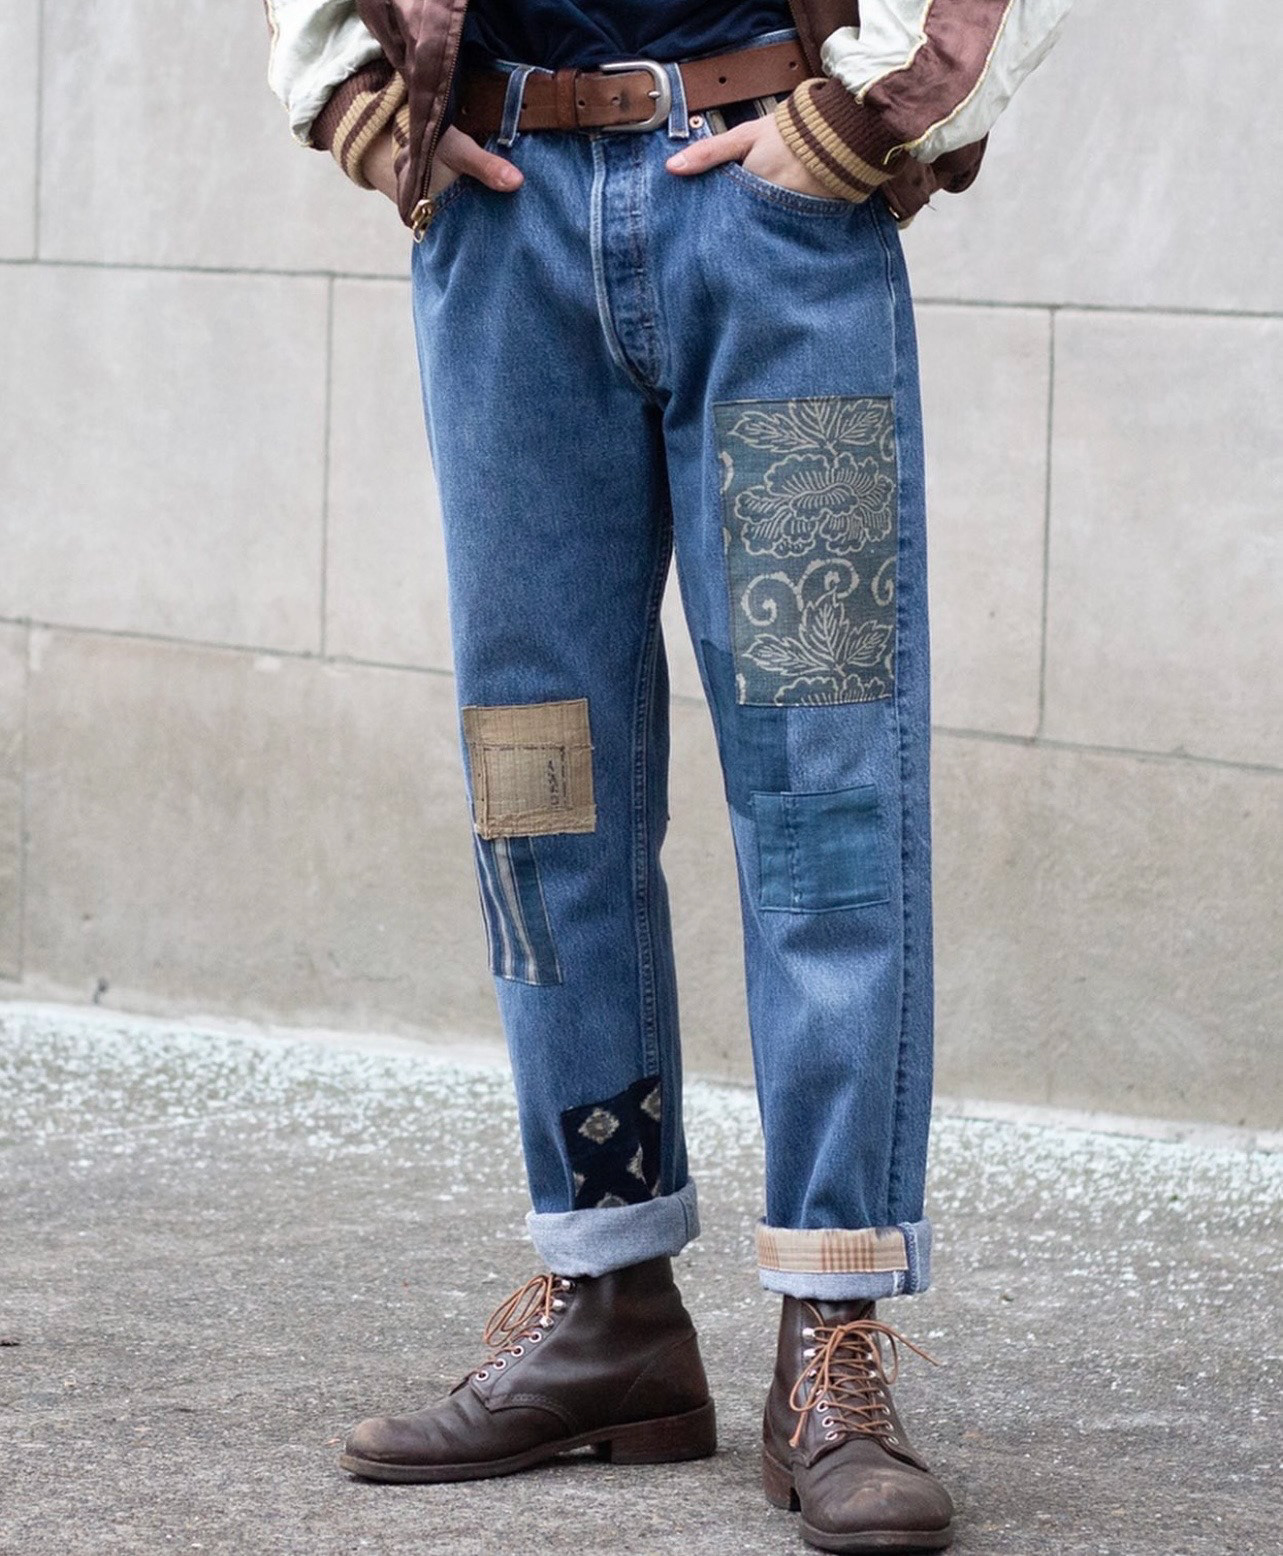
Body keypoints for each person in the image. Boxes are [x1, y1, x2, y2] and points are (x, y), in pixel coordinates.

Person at [264, 4, 1070, 1551]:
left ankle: (830, 1334)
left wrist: (872, 114)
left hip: (773, 226)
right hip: (508, 222)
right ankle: (610, 1304)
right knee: (538, 781)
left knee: (825, 789)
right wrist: (355, 94)